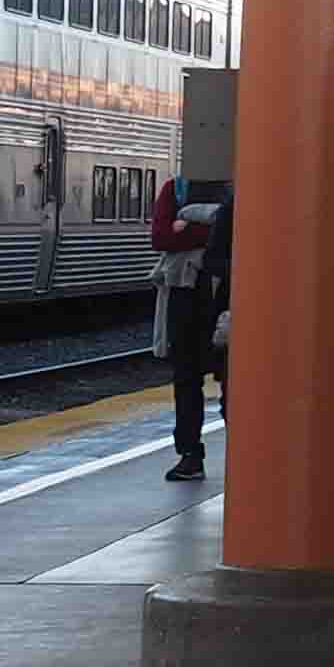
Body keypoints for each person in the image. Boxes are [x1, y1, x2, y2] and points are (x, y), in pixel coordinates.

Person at [146, 173, 232, 483]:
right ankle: (189, 454)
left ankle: (230, 453)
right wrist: (213, 229)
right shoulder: (176, 187)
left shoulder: (238, 187)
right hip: (189, 297)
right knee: (186, 378)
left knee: (230, 380)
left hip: (220, 296)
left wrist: (187, 226)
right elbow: (161, 237)